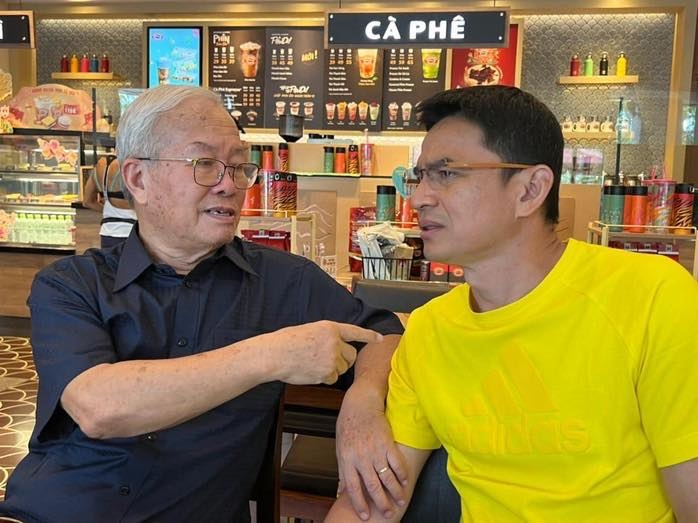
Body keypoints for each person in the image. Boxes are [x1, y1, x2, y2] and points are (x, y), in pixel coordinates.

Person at [0, 85, 405, 522]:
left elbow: (385, 335)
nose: (230, 185)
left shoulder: (285, 281)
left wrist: (363, 401)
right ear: (138, 179)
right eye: (205, 164)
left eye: (238, 166)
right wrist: (270, 355)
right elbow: (100, 407)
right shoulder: (72, 284)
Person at [328, 86, 698, 521]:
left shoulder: (651, 295)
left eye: (446, 173)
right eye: (420, 176)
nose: (419, 198)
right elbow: (375, 504)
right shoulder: (430, 329)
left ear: (530, 190)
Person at [82, 153, 138, 248]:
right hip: (134, 232)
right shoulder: (135, 164)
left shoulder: (101, 166)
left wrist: (109, 210)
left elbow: (87, 202)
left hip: (108, 232)